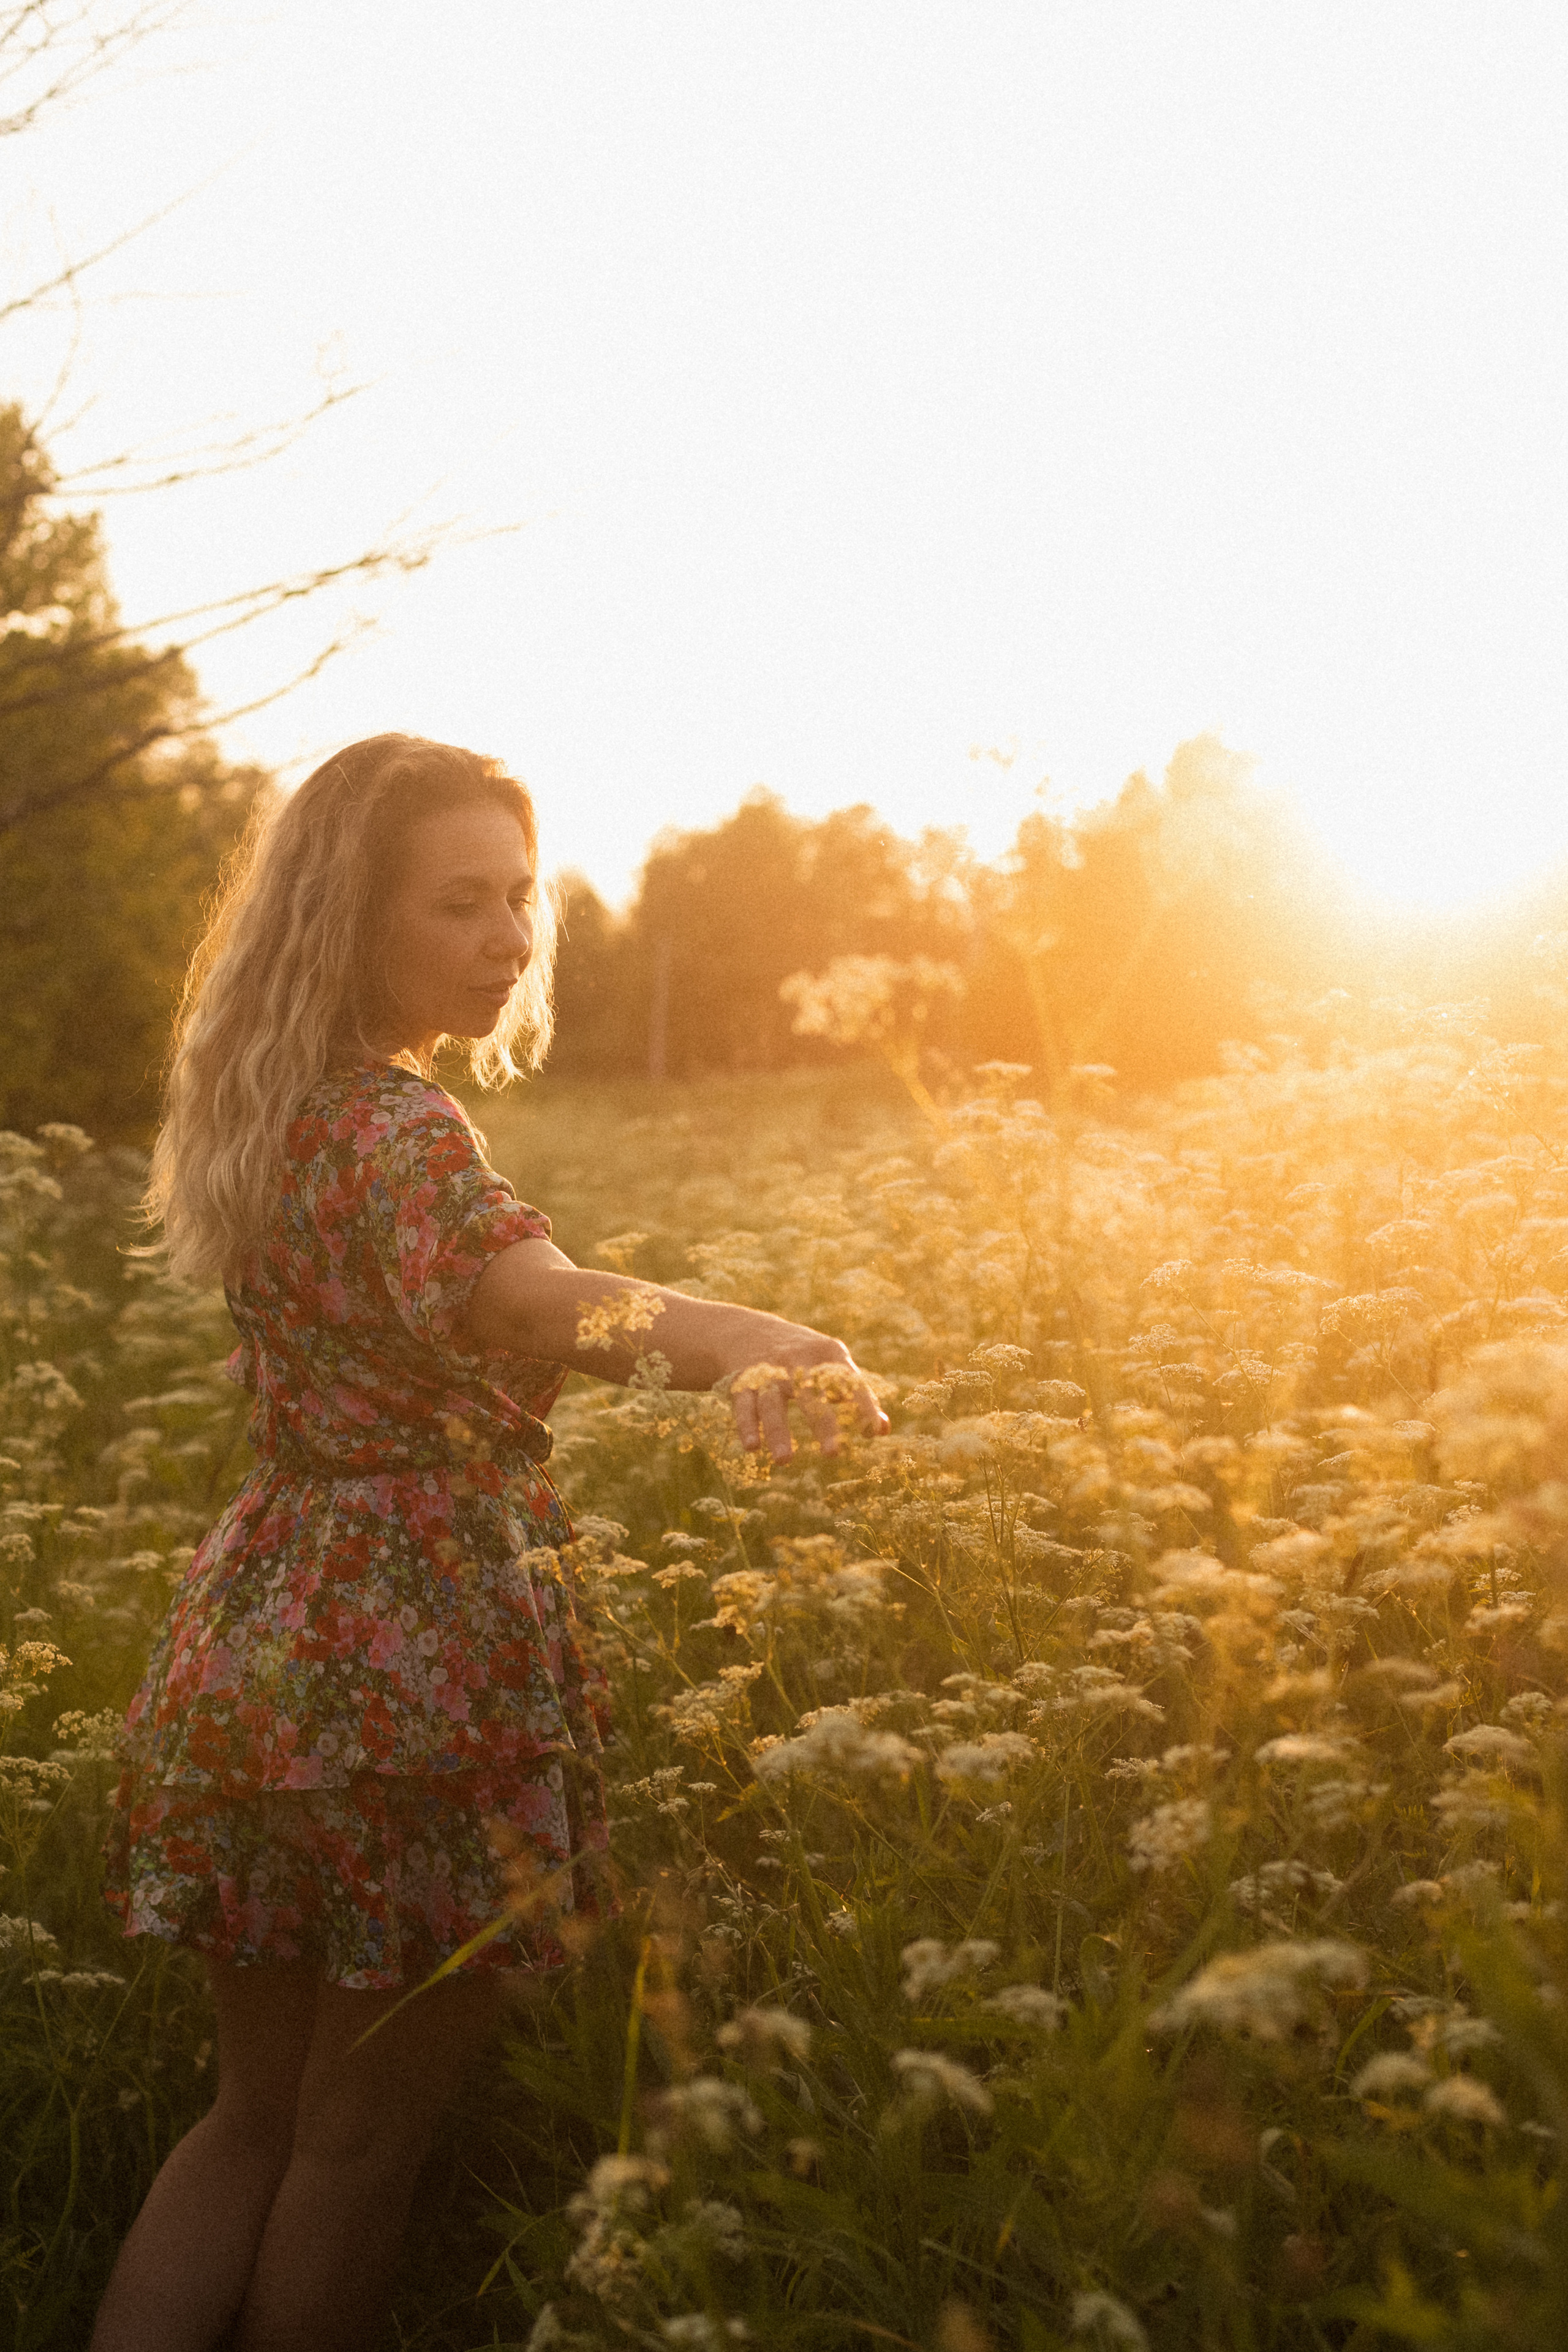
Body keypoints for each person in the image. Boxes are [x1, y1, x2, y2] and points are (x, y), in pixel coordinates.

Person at [90, 734, 887, 2352]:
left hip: (255, 1648)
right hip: (414, 1676)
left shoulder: (280, 1116)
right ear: (346, 920)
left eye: (521, 898)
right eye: (460, 903)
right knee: (355, 2145)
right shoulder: (398, 1130)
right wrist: (768, 1345)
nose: (511, 937)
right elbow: (527, 1306)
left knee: (248, 2124)